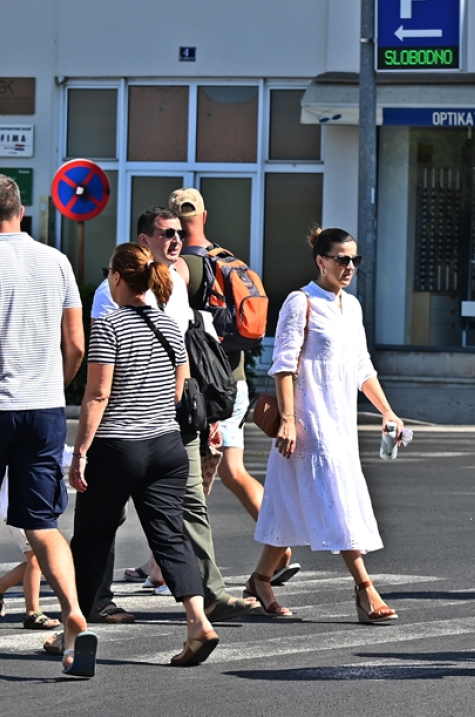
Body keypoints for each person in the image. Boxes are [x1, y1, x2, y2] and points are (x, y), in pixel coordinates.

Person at [0, 174, 95, 676]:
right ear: (22, 213)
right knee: (43, 523)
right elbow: (75, 344)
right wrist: (55, 384)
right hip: (45, 409)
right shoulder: (57, 262)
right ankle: (74, 615)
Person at [84, 207, 258, 625]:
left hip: (164, 421)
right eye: (166, 233)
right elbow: (116, 368)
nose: (176, 240)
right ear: (145, 240)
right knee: (115, 519)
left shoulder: (176, 283)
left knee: (188, 506)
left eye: (180, 233)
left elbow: (183, 355)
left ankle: (209, 596)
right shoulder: (112, 294)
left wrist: (202, 413)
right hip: (141, 426)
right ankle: (106, 602)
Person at [68, 243, 220, 667]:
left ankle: (73, 629)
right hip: (167, 446)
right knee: (170, 535)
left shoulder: (108, 325)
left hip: (119, 445)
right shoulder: (169, 326)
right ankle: (197, 622)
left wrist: (81, 452)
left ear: (116, 277)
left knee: (93, 538)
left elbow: (97, 395)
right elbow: (178, 390)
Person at [248, 228, 405, 621]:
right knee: (337, 499)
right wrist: (287, 421)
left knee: (287, 508)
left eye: (354, 260)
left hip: (340, 421)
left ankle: (261, 578)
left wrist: (387, 411)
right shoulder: (300, 302)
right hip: (307, 422)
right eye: (341, 259)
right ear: (321, 260)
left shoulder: (351, 307)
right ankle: (366, 589)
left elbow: (361, 367)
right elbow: (283, 365)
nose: (349, 266)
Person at [173, 188, 299, 586]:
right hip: (236, 384)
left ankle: (279, 545)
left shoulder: (184, 268)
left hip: (203, 389)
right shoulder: (227, 260)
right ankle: (278, 544)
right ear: (205, 217)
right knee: (227, 471)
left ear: (174, 223)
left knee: (192, 478)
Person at [0, 473, 60, 630]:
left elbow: (61, 456)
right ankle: (32, 613)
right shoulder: (10, 449)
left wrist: (82, 457)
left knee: (42, 559)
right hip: (18, 509)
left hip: (41, 508)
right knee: (35, 558)